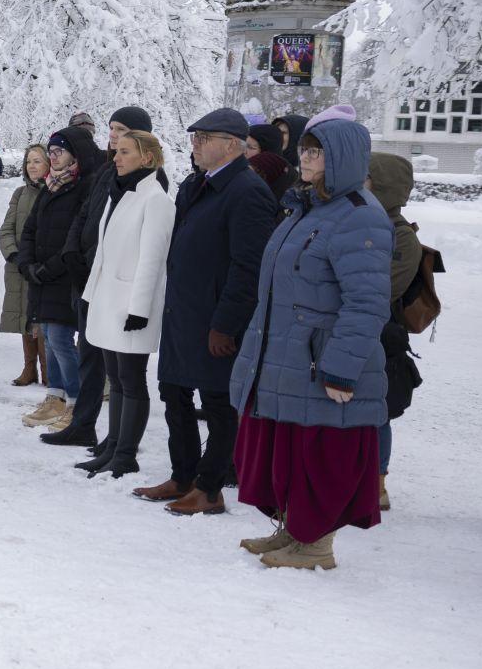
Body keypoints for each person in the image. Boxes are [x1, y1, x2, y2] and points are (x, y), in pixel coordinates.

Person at [231, 105, 390, 570]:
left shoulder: (359, 216)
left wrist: (342, 365)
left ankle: (316, 543)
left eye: (317, 152)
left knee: (320, 455)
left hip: (322, 359)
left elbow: (367, 303)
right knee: (285, 449)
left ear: (343, 157)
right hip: (286, 354)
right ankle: (292, 528)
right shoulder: (308, 207)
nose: (306, 158)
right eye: (304, 149)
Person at [138, 108, 279, 515]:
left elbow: (249, 267)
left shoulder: (248, 191)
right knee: (174, 394)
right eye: (194, 138)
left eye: (204, 138)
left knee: (217, 403)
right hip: (184, 312)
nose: (195, 145)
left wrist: (226, 324)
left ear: (231, 145)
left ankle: (210, 487)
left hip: (215, 320)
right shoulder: (196, 185)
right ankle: (182, 475)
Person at [43, 105, 151, 449]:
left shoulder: (149, 181)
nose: (112, 136)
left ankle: (119, 440)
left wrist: (92, 262)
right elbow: (86, 214)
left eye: (119, 129)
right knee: (89, 355)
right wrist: (73, 252)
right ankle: (83, 423)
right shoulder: (107, 170)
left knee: (117, 367)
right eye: (111, 129)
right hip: (87, 278)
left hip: (111, 281)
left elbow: (124, 235)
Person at [73, 130, 175, 478]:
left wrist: (140, 308)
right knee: (115, 378)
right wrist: (91, 292)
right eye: (116, 151)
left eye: (125, 152)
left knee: (131, 379)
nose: (116, 157)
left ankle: (125, 455)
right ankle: (113, 446)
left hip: (130, 303)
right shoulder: (122, 192)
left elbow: (152, 259)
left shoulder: (155, 199)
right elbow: (103, 251)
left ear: (147, 158)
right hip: (107, 298)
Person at [16, 126, 103, 429]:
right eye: (50, 152)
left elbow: (76, 237)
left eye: (58, 152)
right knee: (50, 339)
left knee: (61, 338)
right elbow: (30, 229)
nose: (52, 157)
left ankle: (76, 402)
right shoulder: (51, 185)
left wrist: (48, 268)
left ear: (74, 154)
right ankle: (55, 397)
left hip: (64, 276)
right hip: (41, 276)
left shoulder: (85, 186)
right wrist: (27, 264)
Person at [368, 152, 424, 512]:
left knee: (378, 411)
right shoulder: (363, 222)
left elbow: (384, 288)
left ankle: (377, 483)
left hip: (382, 334)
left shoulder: (402, 237)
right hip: (362, 329)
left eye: (368, 179)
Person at [0, 144, 49, 385]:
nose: (32, 166)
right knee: (24, 316)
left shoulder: (55, 192)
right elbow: (6, 230)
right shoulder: (20, 193)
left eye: (37, 161)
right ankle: (29, 368)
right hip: (19, 267)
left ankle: (49, 369)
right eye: (29, 161)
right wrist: (14, 256)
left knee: (44, 318)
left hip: (44, 268)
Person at [245, 120, 295, 200]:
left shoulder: (285, 185)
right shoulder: (244, 175)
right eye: (243, 145)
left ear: (267, 152)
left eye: (251, 147)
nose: (244, 151)